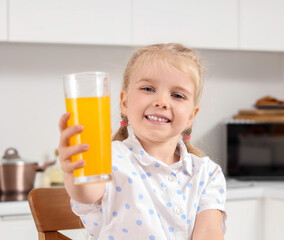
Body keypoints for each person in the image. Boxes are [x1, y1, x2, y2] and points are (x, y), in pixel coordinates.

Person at [58, 43, 227, 240]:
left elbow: (209, 234)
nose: (162, 101)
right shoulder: (108, 157)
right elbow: (86, 193)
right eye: (148, 88)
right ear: (124, 102)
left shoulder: (207, 174)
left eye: (177, 95)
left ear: (191, 115)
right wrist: (74, 171)